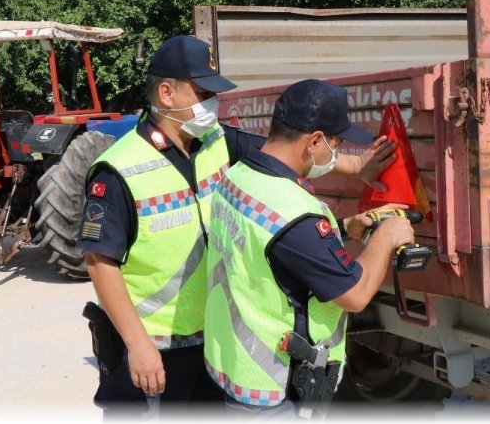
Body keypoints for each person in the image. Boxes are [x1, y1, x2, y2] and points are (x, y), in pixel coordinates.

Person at [76, 36, 394, 418]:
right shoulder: (119, 170)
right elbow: (100, 262)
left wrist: (356, 168)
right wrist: (138, 344)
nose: (213, 104)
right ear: (167, 93)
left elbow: (284, 149)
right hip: (156, 347)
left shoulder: (215, 141)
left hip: (212, 342)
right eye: (203, 92)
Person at [202, 78, 416, 418]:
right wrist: (385, 238)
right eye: (335, 143)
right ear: (314, 140)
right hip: (272, 391)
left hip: (231, 367)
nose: (336, 153)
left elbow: (278, 251)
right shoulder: (294, 211)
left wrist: (344, 229)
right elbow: (356, 294)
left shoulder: (238, 177)